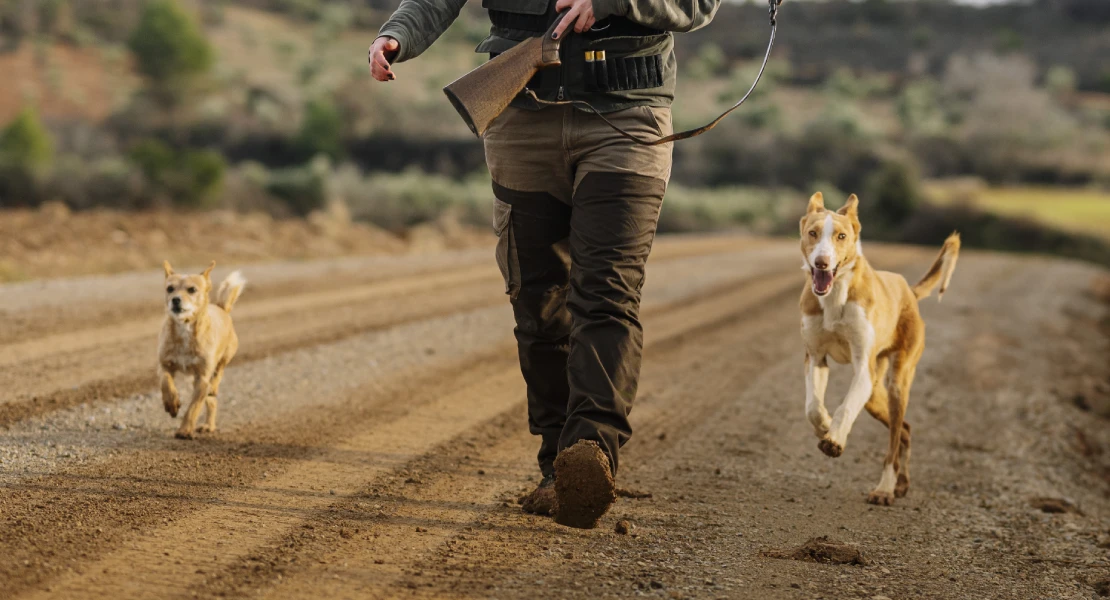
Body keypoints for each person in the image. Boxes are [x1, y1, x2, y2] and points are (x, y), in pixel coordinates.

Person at [369, 0, 720, 529]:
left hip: (629, 117)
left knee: (606, 295)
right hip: (521, 114)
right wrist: (397, 35)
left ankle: (591, 455)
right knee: (536, 300)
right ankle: (559, 466)